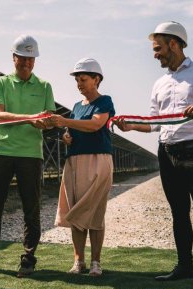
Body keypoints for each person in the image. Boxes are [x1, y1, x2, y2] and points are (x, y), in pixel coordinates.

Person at [116, 21, 193, 289]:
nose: (154, 54)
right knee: (178, 213)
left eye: (158, 48)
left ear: (174, 43)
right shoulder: (159, 83)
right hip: (166, 152)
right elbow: (156, 122)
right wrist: (132, 125)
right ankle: (184, 266)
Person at [0, 34, 56, 278]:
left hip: (31, 154)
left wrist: (45, 124)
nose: (27, 63)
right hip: (1, 151)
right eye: (23, 58)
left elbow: (48, 120)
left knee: (32, 208)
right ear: (14, 58)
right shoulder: (1, 83)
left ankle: (28, 261)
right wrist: (31, 118)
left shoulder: (45, 86)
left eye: (31, 59)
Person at [50, 58, 115, 277]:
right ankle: (79, 261)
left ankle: (96, 262)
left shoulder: (104, 102)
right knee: (76, 210)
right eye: (77, 80)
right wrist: (67, 136)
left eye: (84, 79)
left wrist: (66, 122)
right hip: (75, 161)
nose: (79, 83)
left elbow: (96, 124)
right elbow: (76, 131)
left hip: (98, 160)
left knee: (95, 211)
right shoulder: (77, 107)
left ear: (97, 79)